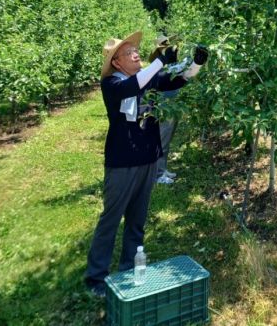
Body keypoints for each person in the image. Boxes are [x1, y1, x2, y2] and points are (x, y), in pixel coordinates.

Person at [84, 31, 208, 297]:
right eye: (129, 53)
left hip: (148, 159)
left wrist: (196, 64)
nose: (136, 54)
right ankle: (96, 277)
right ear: (116, 62)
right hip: (123, 162)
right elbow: (135, 86)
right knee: (111, 218)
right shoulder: (113, 84)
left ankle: (129, 268)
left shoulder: (145, 79)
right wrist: (160, 61)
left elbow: (175, 82)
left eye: (135, 50)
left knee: (137, 219)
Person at [146, 34, 193, 185]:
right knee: (162, 139)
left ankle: (162, 168)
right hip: (164, 106)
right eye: (166, 47)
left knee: (167, 138)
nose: (172, 49)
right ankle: (157, 174)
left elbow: (183, 74)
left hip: (173, 105)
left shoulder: (173, 63)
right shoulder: (158, 67)